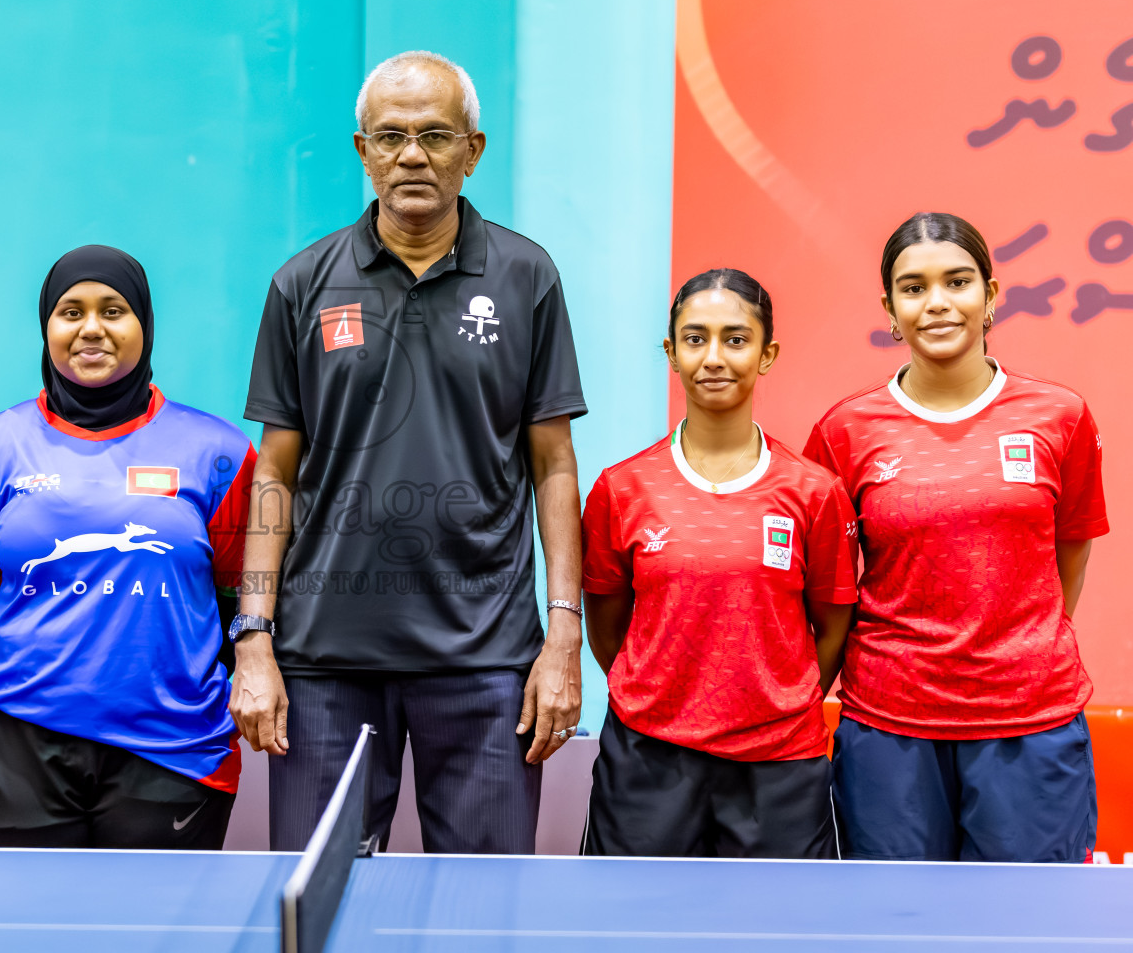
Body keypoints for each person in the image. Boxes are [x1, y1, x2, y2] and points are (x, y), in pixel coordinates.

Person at [236, 50, 588, 854]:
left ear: (475, 149)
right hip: (324, 661)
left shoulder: (527, 276)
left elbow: (554, 466)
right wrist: (254, 635)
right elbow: (276, 476)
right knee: (319, 917)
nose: (413, 156)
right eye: (390, 137)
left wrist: (562, 638)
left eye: (436, 135)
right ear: (363, 152)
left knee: (481, 914)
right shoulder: (302, 283)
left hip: (487, 661)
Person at [804, 212, 1106, 862]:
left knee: (1029, 929)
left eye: (958, 282)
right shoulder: (845, 430)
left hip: (1032, 725)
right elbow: (825, 586)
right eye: (914, 288)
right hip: (888, 731)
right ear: (889, 308)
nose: (937, 303)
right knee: (898, 929)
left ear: (991, 296)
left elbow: (1068, 554)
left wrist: (1014, 649)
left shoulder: (1061, 417)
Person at [0, 245, 255, 849]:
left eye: (113, 310)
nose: (91, 329)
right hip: (18, 745)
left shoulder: (218, 452)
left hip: (171, 752)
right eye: (71, 312)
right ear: (47, 327)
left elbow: (234, 598)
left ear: (144, 323)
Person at [580, 269, 857, 858]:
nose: (714, 357)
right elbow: (606, 624)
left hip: (780, 766)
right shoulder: (622, 488)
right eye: (695, 338)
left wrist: (774, 699)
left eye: (736, 339)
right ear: (671, 353)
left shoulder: (815, 491)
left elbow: (833, 628)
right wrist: (663, 692)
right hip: (648, 761)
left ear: (767, 354)